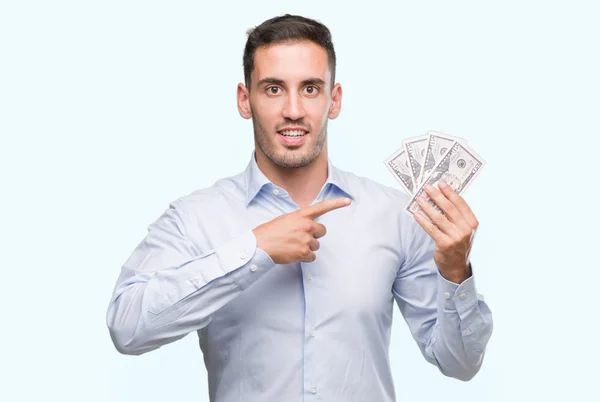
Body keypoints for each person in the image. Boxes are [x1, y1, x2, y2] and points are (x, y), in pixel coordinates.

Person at [106, 14, 493, 402]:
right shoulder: (196, 218)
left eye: (310, 88)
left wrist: (456, 271)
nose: (293, 110)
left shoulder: (393, 216)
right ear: (245, 100)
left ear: (334, 99)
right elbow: (127, 328)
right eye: (273, 89)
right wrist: (253, 250)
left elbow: (459, 363)